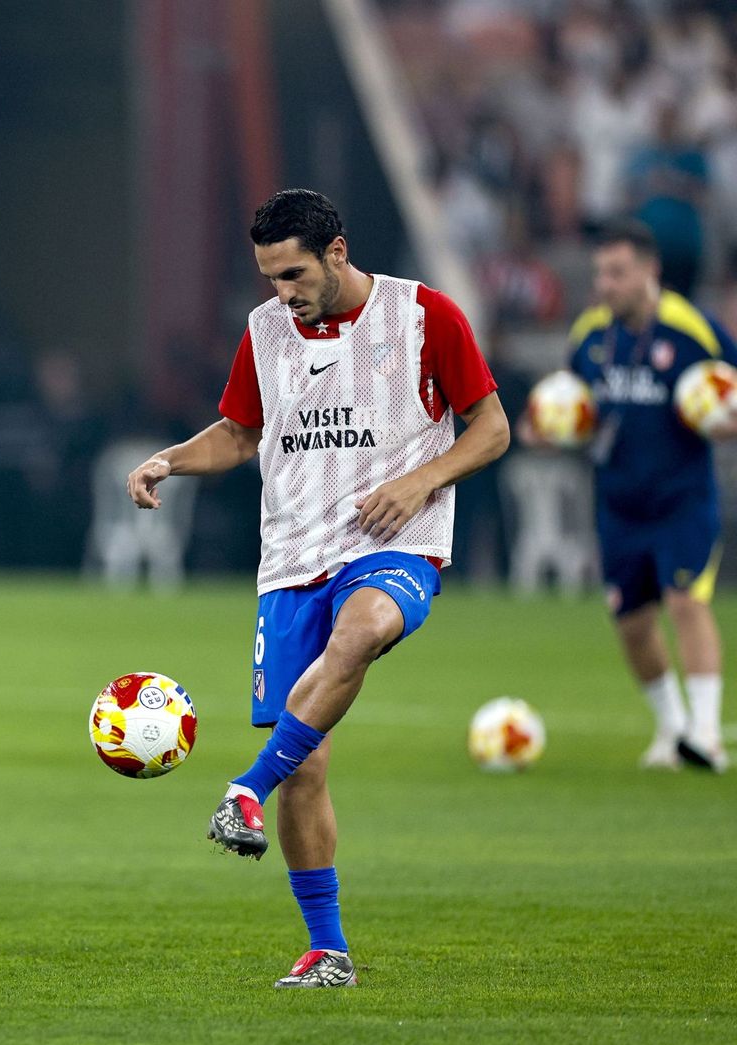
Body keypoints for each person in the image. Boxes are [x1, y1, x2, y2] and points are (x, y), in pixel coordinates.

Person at [127, 190, 508, 988]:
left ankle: (244, 787)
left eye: (294, 273)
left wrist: (422, 480)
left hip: (392, 545)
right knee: (309, 765)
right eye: (270, 277)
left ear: (337, 252)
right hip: (292, 561)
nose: (282, 292)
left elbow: (492, 427)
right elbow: (237, 435)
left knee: (362, 632)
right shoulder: (268, 331)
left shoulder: (424, 316)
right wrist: (170, 458)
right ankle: (327, 950)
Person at [563, 219, 731, 772]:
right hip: (618, 505)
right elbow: (574, 405)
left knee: (686, 602)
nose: (605, 285)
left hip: (681, 499)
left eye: (617, 272)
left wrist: (728, 420)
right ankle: (672, 729)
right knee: (631, 623)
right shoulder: (589, 334)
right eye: (600, 274)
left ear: (649, 271)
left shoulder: (692, 331)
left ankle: (707, 735)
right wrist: (551, 429)